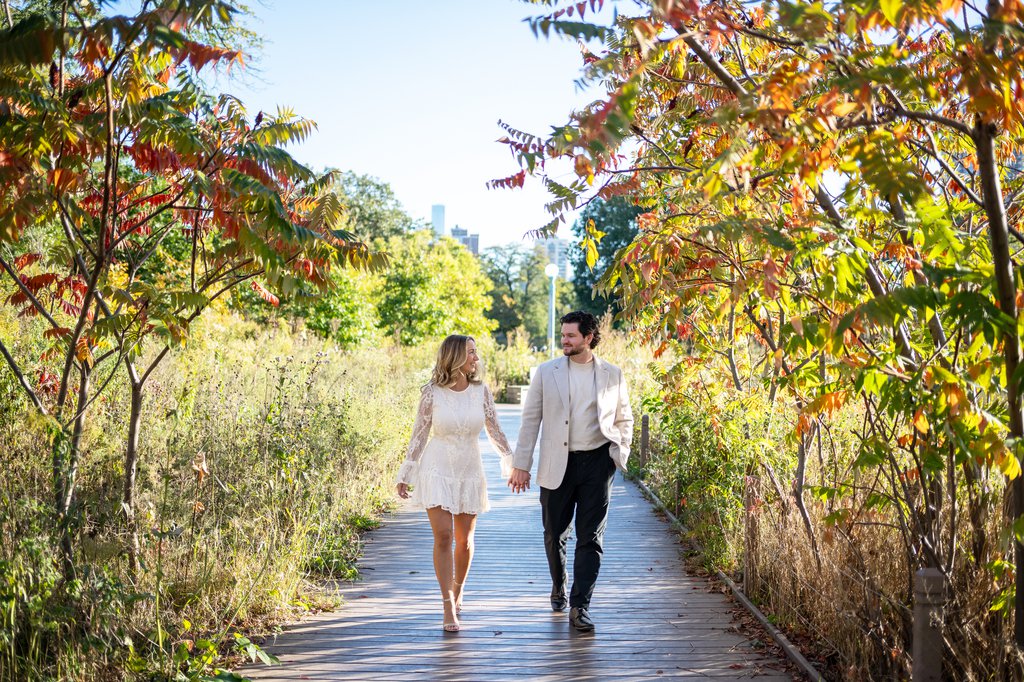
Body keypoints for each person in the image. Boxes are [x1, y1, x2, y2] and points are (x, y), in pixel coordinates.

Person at [508, 311, 634, 632]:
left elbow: (624, 418)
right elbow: (530, 421)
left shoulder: (612, 374)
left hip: (598, 464)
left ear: (588, 338)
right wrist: (521, 465)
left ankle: (580, 606)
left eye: (570, 336)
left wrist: (619, 454)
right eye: (563, 335)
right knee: (554, 533)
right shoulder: (546, 372)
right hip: (557, 464)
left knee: (591, 537)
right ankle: (559, 583)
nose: (564, 340)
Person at [395, 334, 513, 633]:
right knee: (444, 536)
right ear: (455, 357)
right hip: (437, 468)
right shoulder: (432, 393)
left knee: (465, 540)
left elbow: (495, 430)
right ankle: (447, 604)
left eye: (476, 352)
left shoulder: (481, 392)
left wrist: (512, 463)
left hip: (469, 469)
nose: (476, 358)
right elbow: (419, 434)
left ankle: (458, 591)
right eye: (471, 352)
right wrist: (406, 473)